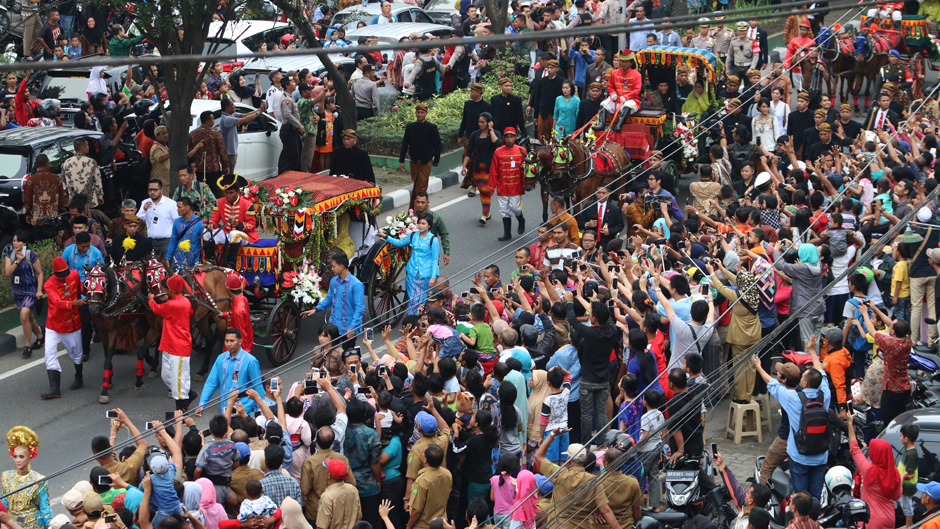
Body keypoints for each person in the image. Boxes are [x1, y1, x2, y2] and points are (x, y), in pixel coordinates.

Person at [754, 336, 830, 499]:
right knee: (814, 497)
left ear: (805, 384)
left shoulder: (791, 398)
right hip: (821, 456)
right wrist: (812, 351)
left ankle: (765, 502)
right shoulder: (825, 395)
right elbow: (822, 374)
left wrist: (758, 367)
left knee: (800, 497)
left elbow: (771, 383)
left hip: (799, 455)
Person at [534, 429, 623, 529]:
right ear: (585, 459)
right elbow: (605, 510)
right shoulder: (593, 480)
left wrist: (553, 434)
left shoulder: (559, 474)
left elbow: (538, 455)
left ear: (568, 459)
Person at [378, 213, 440, 316]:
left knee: (422, 298)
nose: (420, 226)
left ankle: (420, 319)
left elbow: (434, 260)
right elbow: (399, 243)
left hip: (426, 274)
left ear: (429, 225)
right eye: (419, 223)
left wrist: (433, 277)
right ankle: (412, 319)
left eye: (423, 223)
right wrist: (386, 237)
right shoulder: (413, 235)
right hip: (412, 272)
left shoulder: (433, 240)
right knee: (412, 298)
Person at [40, 257, 85, 399]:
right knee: (49, 354)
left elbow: (82, 289)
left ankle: (79, 377)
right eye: (61, 276)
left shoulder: (75, 275)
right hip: (53, 324)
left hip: (72, 323)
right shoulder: (49, 284)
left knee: (77, 353)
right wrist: (75, 303)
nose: (64, 278)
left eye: (65, 274)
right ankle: (54, 389)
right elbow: (58, 302)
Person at [846, 414, 901, 529]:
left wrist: (850, 423)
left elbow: (854, 449)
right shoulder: (895, 472)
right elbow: (896, 497)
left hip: (871, 520)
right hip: (889, 518)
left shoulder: (869, 470)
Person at [149, 275, 195, 411]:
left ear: (170, 290)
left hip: (178, 347)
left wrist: (150, 299)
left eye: (165, 288)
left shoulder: (173, 304)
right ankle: (189, 394)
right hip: (170, 345)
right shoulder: (184, 301)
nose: (163, 290)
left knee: (178, 380)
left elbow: (157, 309)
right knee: (167, 376)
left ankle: (181, 411)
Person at [301, 253, 365, 351]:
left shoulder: (356, 285)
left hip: (348, 328)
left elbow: (359, 309)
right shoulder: (333, 281)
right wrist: (316, 309)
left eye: (333, 266)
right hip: (333, 326)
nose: (332, 269)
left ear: (341, 267)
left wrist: (352, 327)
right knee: (329, 354)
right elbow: (329, 299)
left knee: (347, 355)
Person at [195, 328, 265, 416]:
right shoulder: (221, 359)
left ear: (240, 341)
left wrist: (263, 408)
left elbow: (258, 385)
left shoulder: (250, 361)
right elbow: (211, 382)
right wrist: (202, 404)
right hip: (225, 407)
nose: (228, 344)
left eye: (232, 341)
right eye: (226, 341)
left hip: (243, 408)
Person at [204, 174, 258, 267]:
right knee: (206, 232)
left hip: (244, 235)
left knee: (234, 234)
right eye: (226, 193)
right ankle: (210, 261)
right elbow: (215, 218)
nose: (228, 196)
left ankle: (230, 264)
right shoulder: (219, 202)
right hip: (226, 233)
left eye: (231, 193)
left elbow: (252, 225)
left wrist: (237, 223)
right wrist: (211, 224)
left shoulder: (247, 205)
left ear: (238, 192)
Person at [4, 231, 44, 359]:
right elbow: (8, 272)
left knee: (24, 315)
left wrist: (39, 290)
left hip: (30, 290)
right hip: (17, 291)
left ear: (24, 243)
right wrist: (17, 261)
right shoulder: (10, 255)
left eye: (19, 241)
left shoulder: (30, 255)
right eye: (14, 241)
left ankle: (27, 345)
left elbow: (39, 273)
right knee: (28, 317)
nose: (16, 243)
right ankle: (40, 336)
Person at [1, 426, 50, 529]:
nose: (18, 460)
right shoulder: (7, 477)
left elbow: (44, 507)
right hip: (11, 523)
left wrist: (49, 524)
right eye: (15, 456)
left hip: (33, 525)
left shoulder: (39, 480)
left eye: (21, 456)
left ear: (29, 457)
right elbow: (4, 503)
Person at [400, 103, 442, 212]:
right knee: (417, 184)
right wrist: (401, 160)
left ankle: (419, 210)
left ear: (426, 113)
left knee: (422, 187)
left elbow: (437, 145)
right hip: (414, 160)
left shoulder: (431, 127)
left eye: (422, 112)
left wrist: (436, 160)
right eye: (418, 112)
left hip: (426, 161)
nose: (420, 114)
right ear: (415, 113)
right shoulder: (410, 127)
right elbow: (405, 144)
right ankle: (420, 208)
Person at [489, 127, 527, 242]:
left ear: (515, 137)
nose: (509, 139)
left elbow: (529, 168)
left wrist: (529, 182)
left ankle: (521, 219)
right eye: (507, 137)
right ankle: (507, 233)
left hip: (516, 186)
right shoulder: (498, 152)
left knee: (516, 208)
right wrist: (491, 187)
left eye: (512, 137)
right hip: (503, 186)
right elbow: (494, 170)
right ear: (504, 138)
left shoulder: (522, 150)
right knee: (504, 210)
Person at [407, 444, 451, 529]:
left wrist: (408, 526)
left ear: (425, 460)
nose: (421, 454)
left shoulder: (422, 481)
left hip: (423, 525)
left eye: (423, 453)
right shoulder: (447, 474)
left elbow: (417, 510)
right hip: (441, 523)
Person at [23, 155, 67, 237]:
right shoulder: (56, 178)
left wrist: (27, 214)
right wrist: (62, 212)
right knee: (53, 242)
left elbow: (27, 200)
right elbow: (61, 199)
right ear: (47, 163)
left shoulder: (31, 180)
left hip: (37, 219)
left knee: (39, 242)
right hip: (53, 219)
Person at [189, 111, 231, 196]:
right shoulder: (215, 134)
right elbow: (222, 152)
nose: (214, 121)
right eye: (213, 119)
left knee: (202, 193)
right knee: (214, 193)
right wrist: (225, 167)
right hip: (213, 170)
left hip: (200, 170)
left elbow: (190, 151)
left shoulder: (192, 134)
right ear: (208, 121)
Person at [220, 98, 267, 172]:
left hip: (231, 151)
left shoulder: (232, 115)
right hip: (228, 152)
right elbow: (245, 120)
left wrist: (259, 110)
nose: (234, 106)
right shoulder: (226, 119)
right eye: (232, 105)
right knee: (229, 173)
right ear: (227, 108)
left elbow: (246, 115)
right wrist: (258, 112)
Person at [601, 51, 642, 131]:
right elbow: (610, 87)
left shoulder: (637, 74)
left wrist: (627, 97)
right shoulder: (614, 73)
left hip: (632, 100)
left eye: (626, 62)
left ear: (631, 63)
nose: (623, 64)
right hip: (616, 100)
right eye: (622, 61)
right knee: (604, 104)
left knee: (628, 104)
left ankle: (619, 125)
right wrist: (612, 93)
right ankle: (602, 125)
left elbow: (637, 90)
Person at [317, 459, 361, 529]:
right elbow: (358, 518)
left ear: (329, 475)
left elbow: (321, 526)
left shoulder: (327, 497)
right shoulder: (353, 490)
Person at [61, 138, 103, 208]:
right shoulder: (91, 162)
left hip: (74, 200)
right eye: (87, 145)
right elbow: (97, 180)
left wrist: (65, 196)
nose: (88, 147)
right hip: (90, 199)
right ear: (83, 148)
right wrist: (100, 196)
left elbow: (63, 182)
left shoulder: (66, 163)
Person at [530, 60, 565, 142]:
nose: (549, 70)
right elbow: (537, 98)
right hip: (543, 112)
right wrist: (535, 116)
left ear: (557, 69)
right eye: (548, 68)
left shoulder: (562, 82)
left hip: (555, 112)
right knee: (542, 134)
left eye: (552, 68)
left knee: (555, 134)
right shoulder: (541, 81)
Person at [413, 193, 450, 266]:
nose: (420, 205)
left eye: (423, 202)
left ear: (427, 203)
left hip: (431, 253)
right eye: (418, 202)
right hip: (415, 255)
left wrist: (446, 253)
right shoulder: (410, 218)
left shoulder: (435, 217)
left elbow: (444, 235)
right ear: (414, 202)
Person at [166, 196, 204, 270]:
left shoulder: (199, 223)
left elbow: (202, 244)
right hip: (179, 261)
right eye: (177, 207)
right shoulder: (177, 222)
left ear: (187, 208)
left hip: (193, 262)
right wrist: (168, 258)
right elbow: (173, 241)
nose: (177, 210)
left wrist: (200, 262)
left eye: (179, 207)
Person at [491, 78, 526, 144]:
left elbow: (520, 116)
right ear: (501, 86)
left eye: (510, 86)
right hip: (498, 129)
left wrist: (523, 131)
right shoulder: (494, 99)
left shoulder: (516, 100)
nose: (508, 88)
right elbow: (493, 114)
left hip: (511, 129)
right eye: (506, 86)